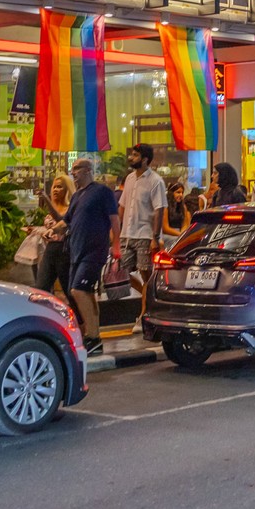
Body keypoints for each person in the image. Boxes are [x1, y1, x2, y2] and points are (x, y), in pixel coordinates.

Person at [63, 157, 117, 352]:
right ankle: (95, 336)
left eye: (76, 168)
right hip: (76, 251)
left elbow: (114, 218)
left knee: (79, 290)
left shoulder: (102, 192)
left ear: (87, 170)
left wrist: (116, 244)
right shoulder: (77, 196)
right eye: (73, 169)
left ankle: (92, 336)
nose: (73, 172)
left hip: (95, 250)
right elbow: (66, 221)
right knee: (84, 292)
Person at [116, 143, 169, 305]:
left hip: (144, 235)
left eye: (135, 155)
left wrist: (155, 237)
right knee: (121, 271)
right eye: (131, 154)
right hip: (127, 233)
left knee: (146, 273)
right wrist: (116, 233)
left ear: (145, 159)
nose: (131, 158)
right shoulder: (130, 179)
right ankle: (148, 295)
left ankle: (143, 313)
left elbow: (159, 209)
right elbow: (122, 206)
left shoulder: (155, 181)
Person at [36, 172, 73, 296]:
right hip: (50, 249)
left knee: (69, 290)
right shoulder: (52, 207)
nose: (56, 190)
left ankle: (79, 314)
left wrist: (46, 199)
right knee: (41, 288)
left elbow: (61, 221)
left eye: (60, 187)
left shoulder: (70, 208)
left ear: (67, 189)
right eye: (54, 187)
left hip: (64, 250)